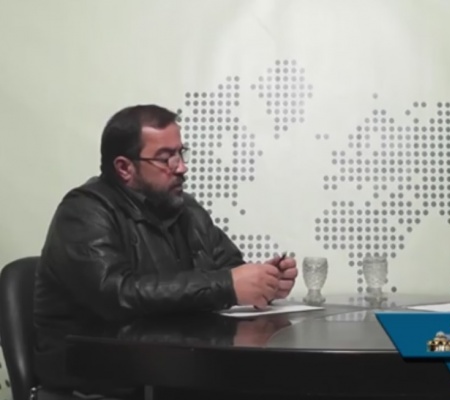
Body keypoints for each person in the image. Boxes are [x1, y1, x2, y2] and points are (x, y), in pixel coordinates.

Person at [33, 104, 298, 398]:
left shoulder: (186, 210)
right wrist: (227, 285)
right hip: (99, 381)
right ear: (124, 168)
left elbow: (230, 268)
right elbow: (115, 293)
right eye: (165, 158)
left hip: (174, 373)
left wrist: (266, 282)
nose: (181, 167)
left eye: (180, 153)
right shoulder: (85, 212)